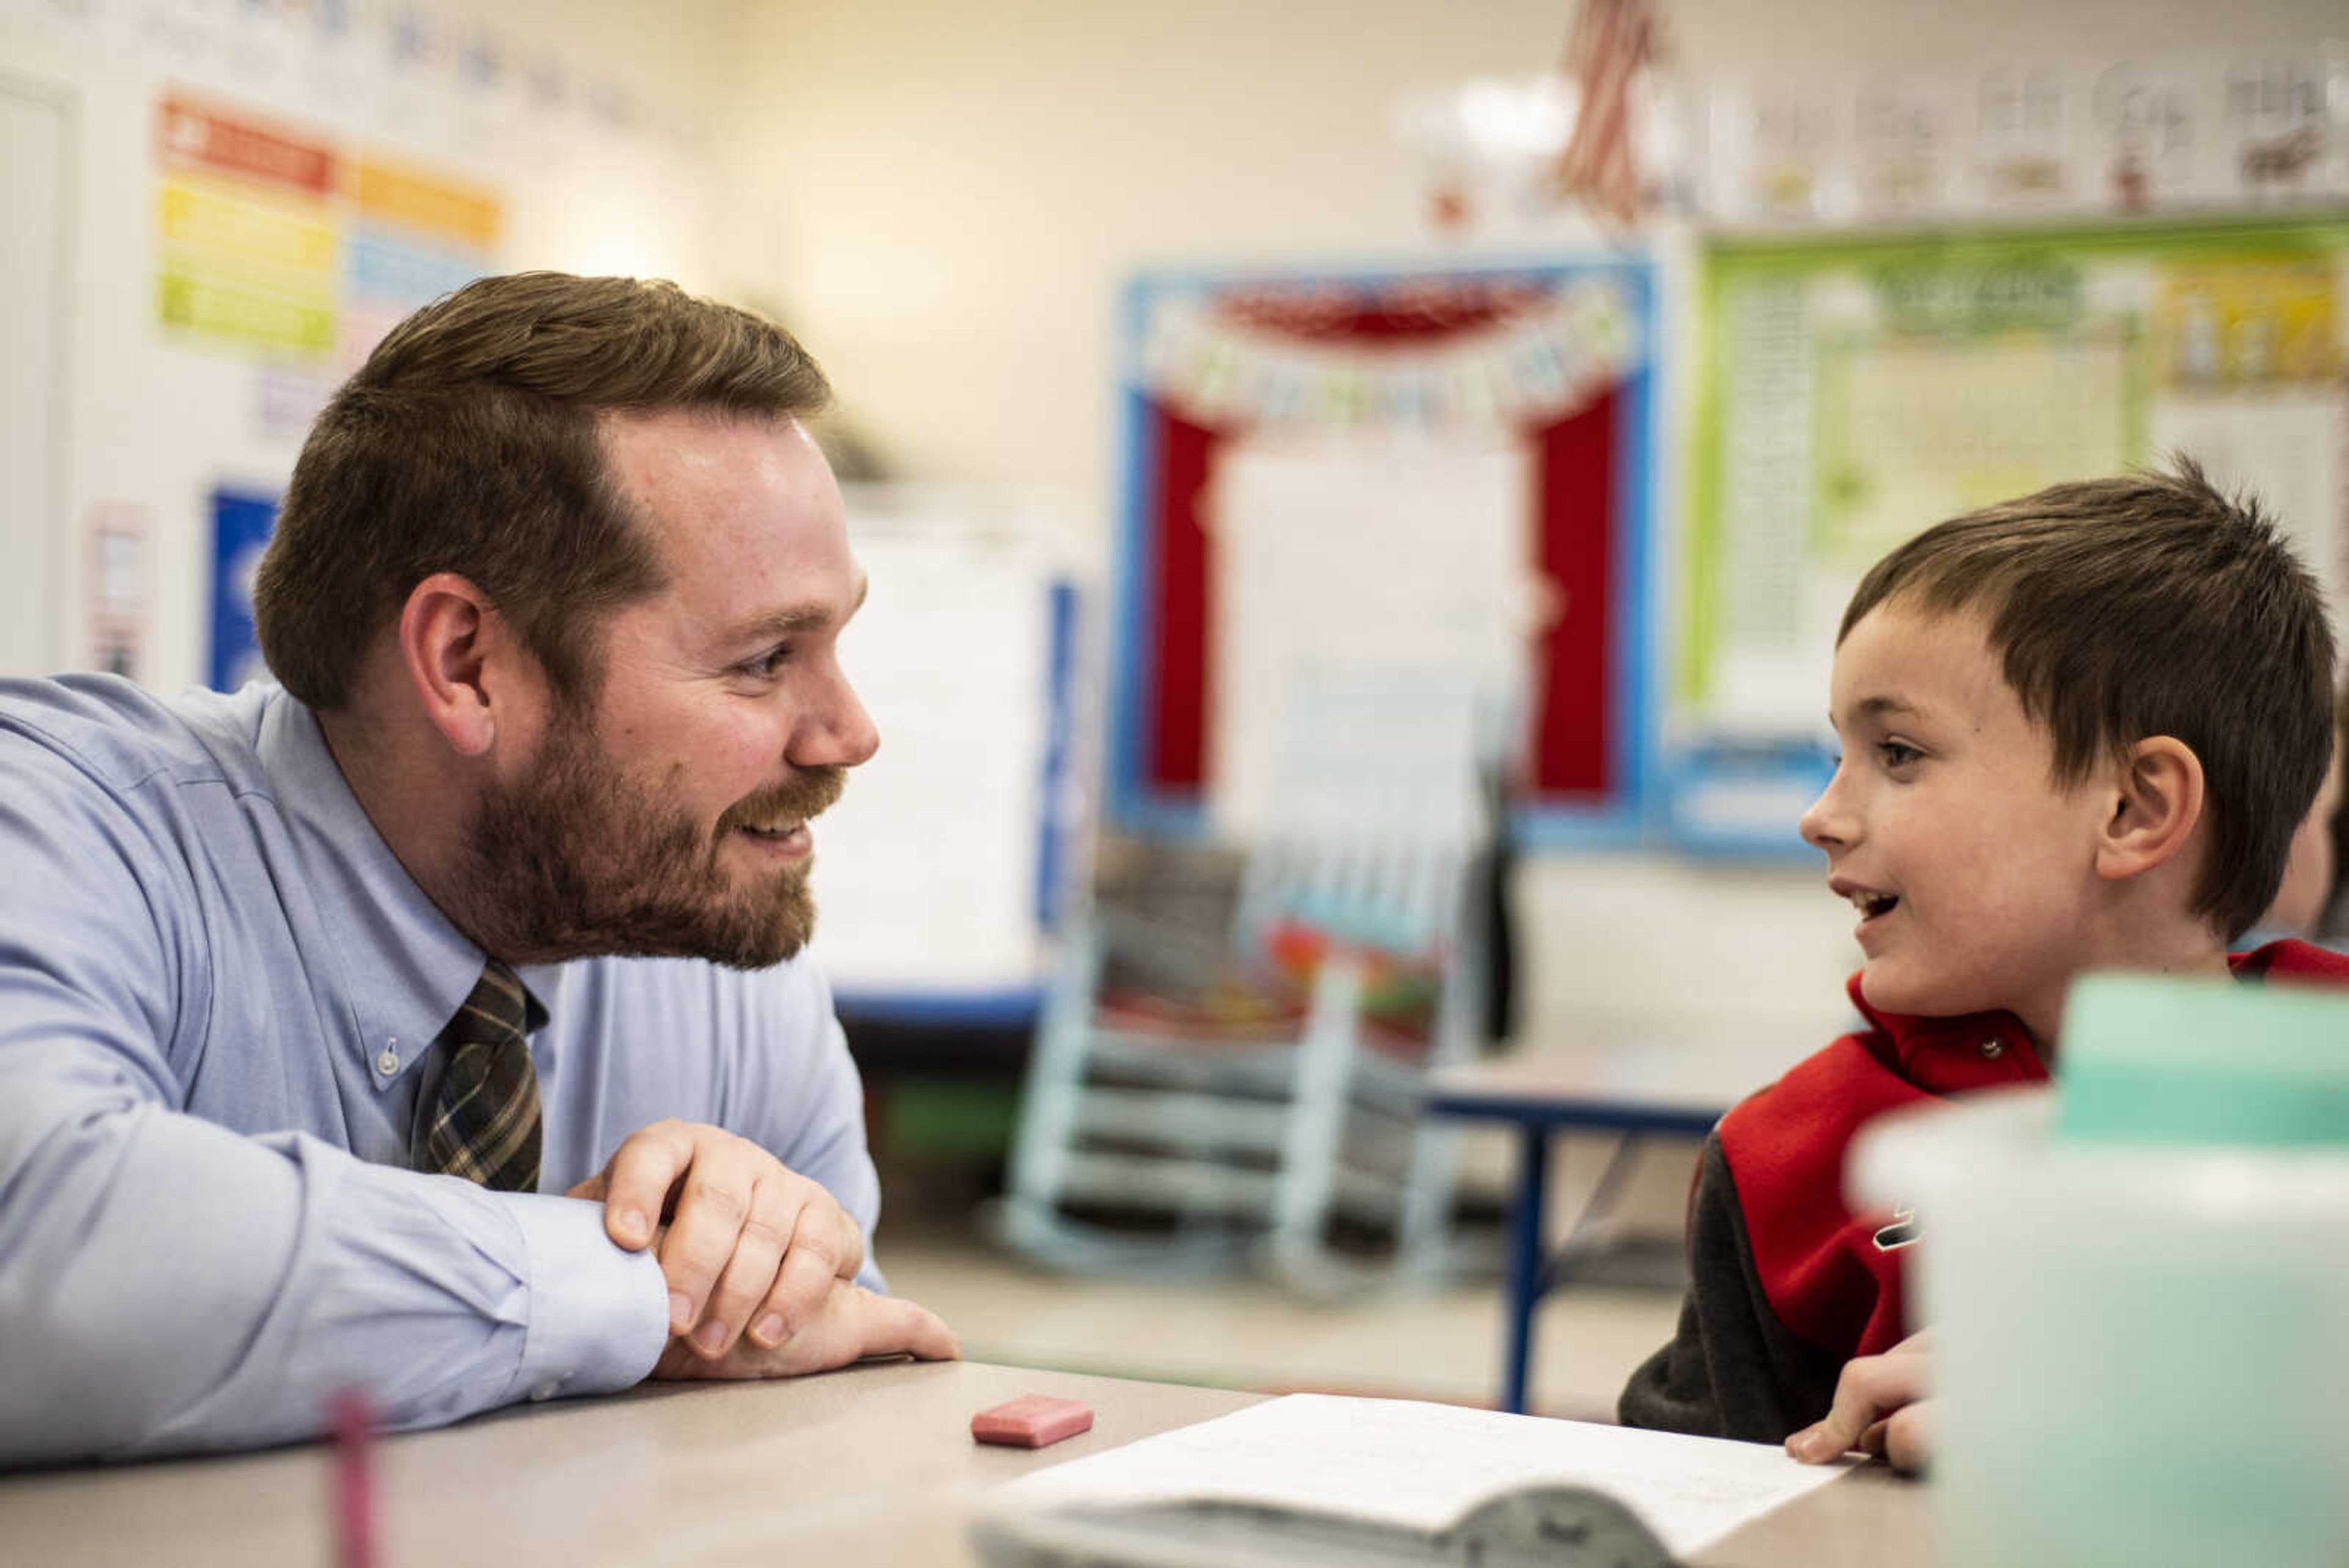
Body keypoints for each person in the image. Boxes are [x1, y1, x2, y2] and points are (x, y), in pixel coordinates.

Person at [0, 273, 959, 1466]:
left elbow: (835, 1367)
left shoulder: (713, 932)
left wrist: (751, 1276)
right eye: (764, 659)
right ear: (464, 663)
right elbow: (34, 1242)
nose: (849, 732)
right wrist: (615, 1285)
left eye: (833, 640)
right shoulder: (69, 822)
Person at [1617, 460, 2348, 1470]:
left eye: (1900, 754)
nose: (1820, 816)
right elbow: (1687, 1507)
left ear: (2134, 810)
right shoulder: (1783, 1160)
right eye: (1841, 754)